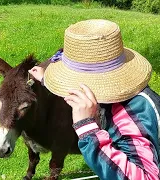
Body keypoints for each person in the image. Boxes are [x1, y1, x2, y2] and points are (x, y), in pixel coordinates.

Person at [29, 19, 160, 180]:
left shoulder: (129, 116)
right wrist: (45, 81)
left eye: (73, 79)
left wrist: (88, 131)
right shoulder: (116, 97)